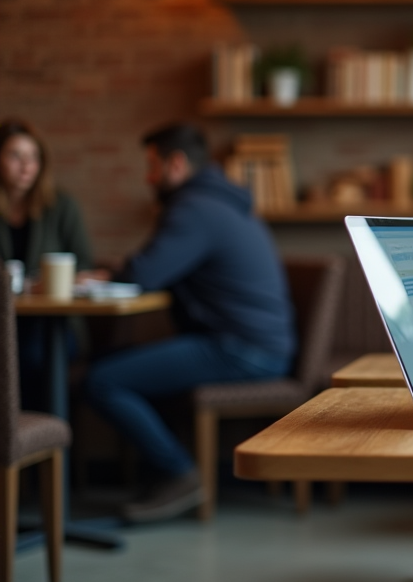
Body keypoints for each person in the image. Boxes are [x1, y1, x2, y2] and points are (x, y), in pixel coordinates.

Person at [84, 123, 295, 523]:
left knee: (103, 380)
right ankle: (161, 473)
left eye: (151, 167)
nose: (147, 178)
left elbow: (146, 274)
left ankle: (181, 475)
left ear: (175, 164)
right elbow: (157, 265)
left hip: (243, 351)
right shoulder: (220, 202)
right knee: (117, 362)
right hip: (257, 344)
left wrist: (108, 273)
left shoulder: (194, 207)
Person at [0, 118, 98, 411]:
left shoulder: (61, 206)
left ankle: (39, 447)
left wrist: (49, 284)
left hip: (54, 325)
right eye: (15, 156)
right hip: (6, 323)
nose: (26, 166)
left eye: (33, 157)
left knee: (30, 356)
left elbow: (85, 268)